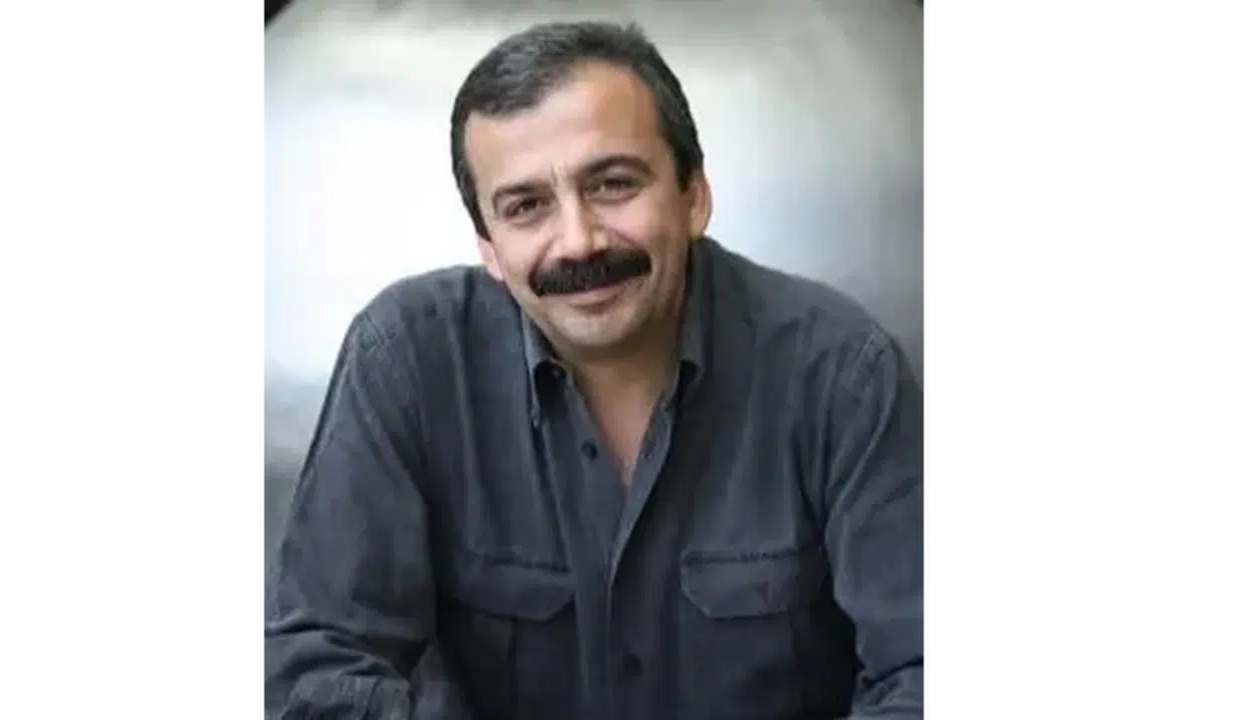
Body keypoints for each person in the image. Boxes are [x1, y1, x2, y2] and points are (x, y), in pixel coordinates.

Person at [258, 20, 929, 720]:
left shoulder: (842, 374)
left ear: (694, 195)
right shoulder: (406, 360)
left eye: (612, 184)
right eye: (526, 207)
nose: (577, 242)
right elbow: (314, 666)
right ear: (488, 246)